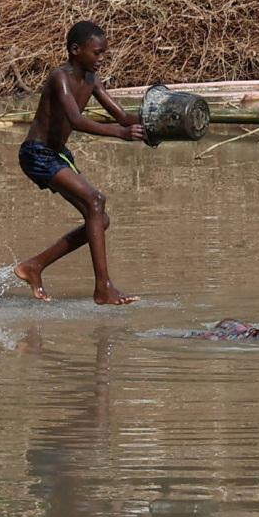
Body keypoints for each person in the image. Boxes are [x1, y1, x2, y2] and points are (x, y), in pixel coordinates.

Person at [14, 20, 156, 304]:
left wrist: (157, 124)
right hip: (36, 154)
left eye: (104, 53)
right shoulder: (61, 78)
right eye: (97, 53)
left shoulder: (92, 81)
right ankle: (103, 288)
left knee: (99, 219)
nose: (101, 59)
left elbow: (122, 117)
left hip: (58, 155)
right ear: (75, 50)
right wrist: (122, 134)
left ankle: (34, 266)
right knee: (95, 201)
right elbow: (76, 120)